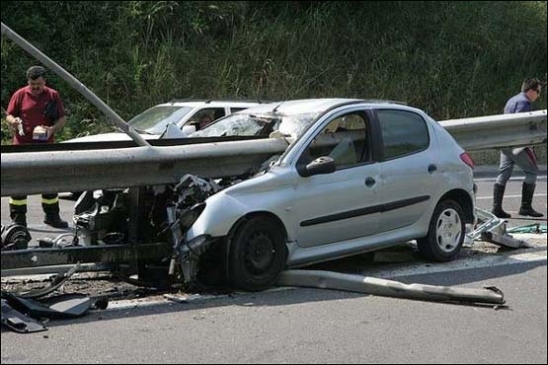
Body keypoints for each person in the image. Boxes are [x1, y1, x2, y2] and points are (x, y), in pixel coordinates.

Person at [5, 66, 69, 228]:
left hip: (45, 146)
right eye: (32, 84)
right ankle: (18, 219)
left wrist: (51, 130)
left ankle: (52, 216)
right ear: (28, 82)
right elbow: (9, 115)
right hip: (22, 146)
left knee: (48, 181)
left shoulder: (53, 95)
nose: (35, 88)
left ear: (44, 82)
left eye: (38, 84)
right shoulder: (20, 94)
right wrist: (13, 121)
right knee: (19, 183)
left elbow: (62, 119)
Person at [492, 78, 544, 218]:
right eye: (538, 92)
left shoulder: (512, 100)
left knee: (504, 173)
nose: (538, 95)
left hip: (505, 142)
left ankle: (496, 209)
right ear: (531, 91)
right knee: (532, 170)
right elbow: (521, 123)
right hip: (516, 144)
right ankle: (525, 208)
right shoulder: (524, 102)